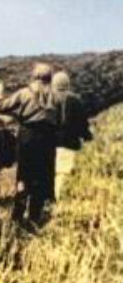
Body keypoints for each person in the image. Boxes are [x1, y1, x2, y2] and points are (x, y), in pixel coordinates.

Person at [0, 62, 59, 229]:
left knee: (24, 175)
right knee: (41, 176)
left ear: (34, 76)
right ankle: (35, 218)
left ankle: (17, 216)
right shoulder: (57, 95)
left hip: (27, 137)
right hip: (48, 138)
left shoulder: (24, 93)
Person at [52, 70, 92, 199]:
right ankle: (59, 199)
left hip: (49, 143)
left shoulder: (48, 98)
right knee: (63, 173)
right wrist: (87, 136)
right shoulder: (75, 100)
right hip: (69, 143)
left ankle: (49, 200)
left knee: (51, 173)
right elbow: (82, 123)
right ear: (67, 84)